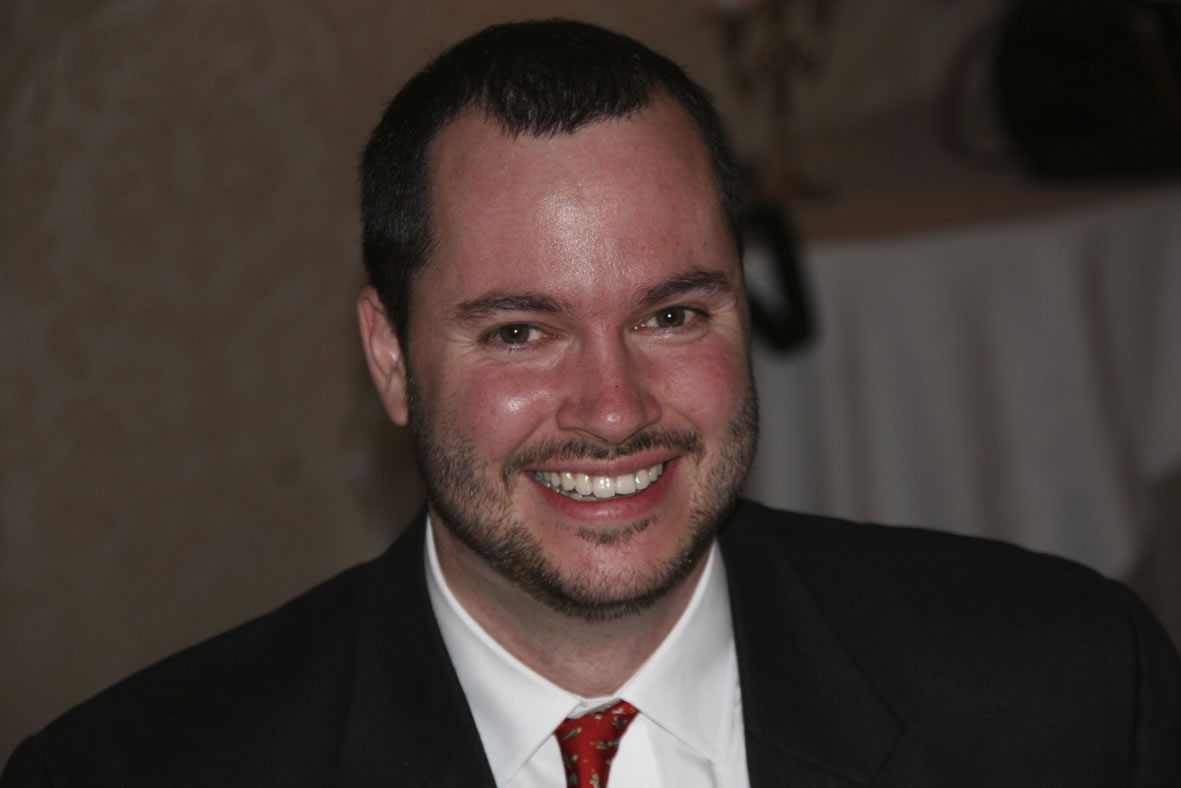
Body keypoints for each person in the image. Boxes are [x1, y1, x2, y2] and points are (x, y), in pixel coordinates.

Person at [3, 18, 1179, 788]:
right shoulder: (128, 770)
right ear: (389, 357)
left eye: (672, 314)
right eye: (519, 331)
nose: (613, 412)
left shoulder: (1070, 691)